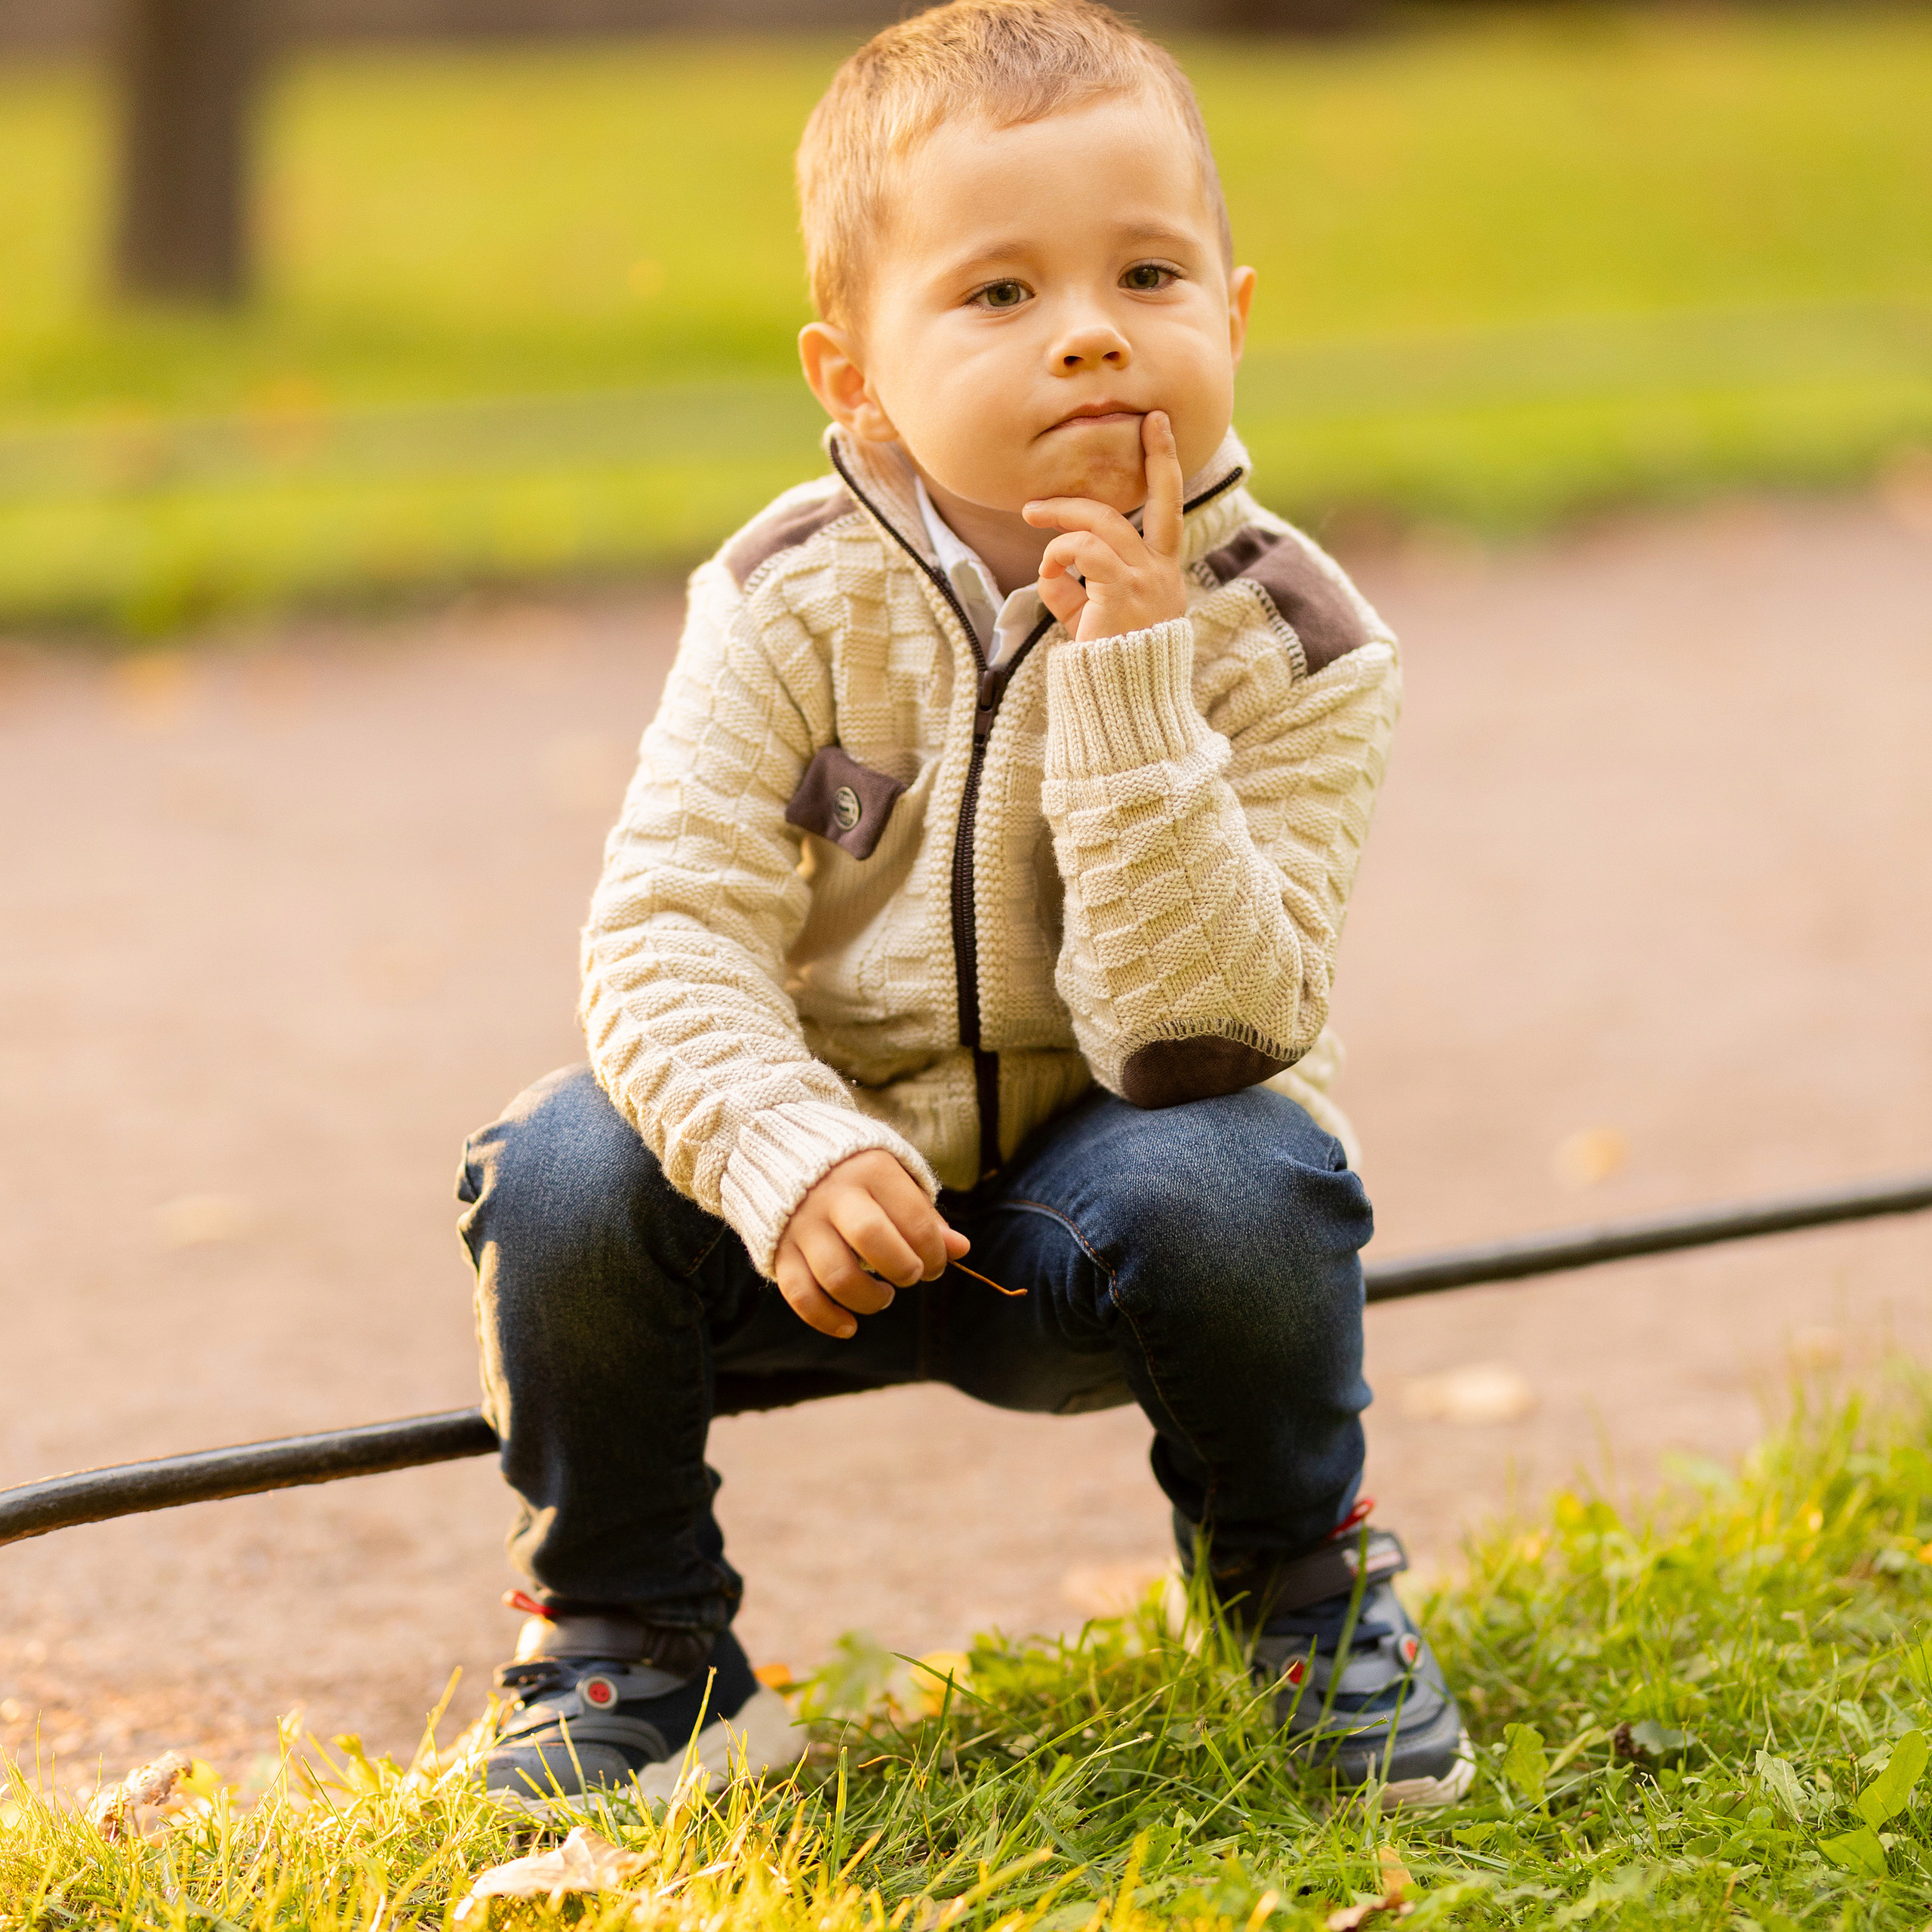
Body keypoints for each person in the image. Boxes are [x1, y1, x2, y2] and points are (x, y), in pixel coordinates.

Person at [457, 0, 1470, 1814]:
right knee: (556, 1163)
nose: (1088, 331)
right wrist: (778, 1142)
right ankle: (634, 1638)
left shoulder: (1296, 640)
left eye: (1145, 273)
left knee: (1244, 1175)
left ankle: (1298, 1588)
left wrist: (1131, 675)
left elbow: (1203, 1034)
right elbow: (664, 924)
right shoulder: (786, 596)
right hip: (809, 1211)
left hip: (1107, 1212)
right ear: (851, 376)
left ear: (1228, 315)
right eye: (998, 295)